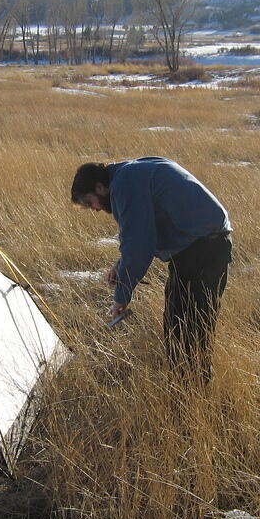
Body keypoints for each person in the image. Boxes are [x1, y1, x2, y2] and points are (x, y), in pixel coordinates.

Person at [71, 157, 232, 382]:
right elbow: (144, 229)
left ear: (100, 187)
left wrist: (122, 296)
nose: (95, 209)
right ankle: (188, 389)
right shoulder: (130, 174)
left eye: (90, 203)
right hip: (199, 248)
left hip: (203, 250)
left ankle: (192, 393)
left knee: (189, 330)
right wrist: (120, 266)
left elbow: (139, 246)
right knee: (181, 325)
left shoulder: (125, 183)